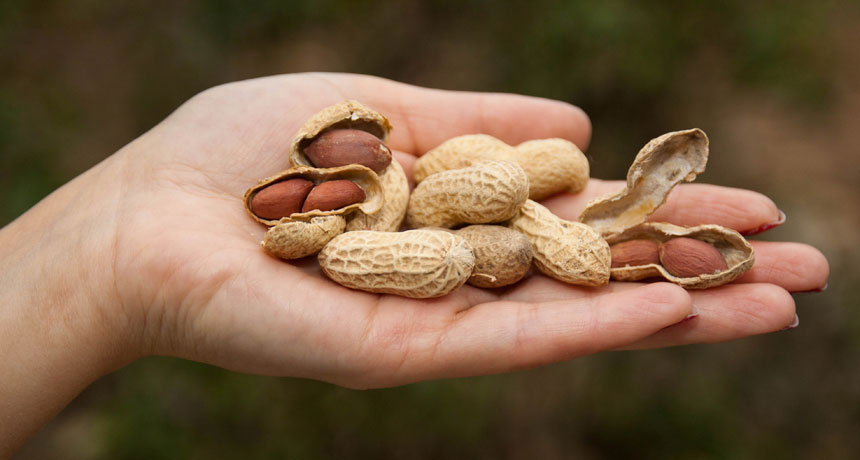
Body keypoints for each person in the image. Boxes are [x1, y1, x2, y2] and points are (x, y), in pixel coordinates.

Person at [0, 73, 829, 453]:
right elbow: (436, 209)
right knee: (491, 205)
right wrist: (107, 255)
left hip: (484, 229)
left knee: (526, 197)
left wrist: (96, 259)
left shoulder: (482, 200)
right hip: (441, 232)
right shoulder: (392, 192)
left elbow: (508, 191)